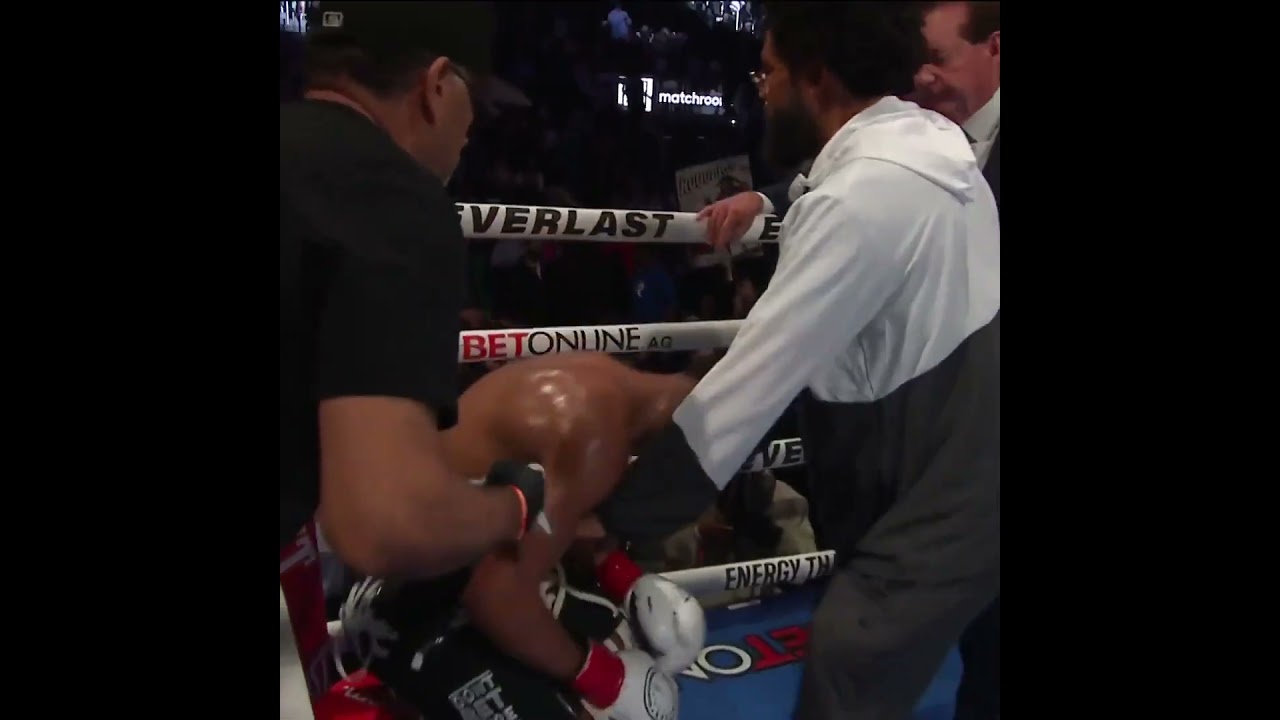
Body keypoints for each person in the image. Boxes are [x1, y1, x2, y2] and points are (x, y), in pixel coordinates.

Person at [597, 3, 1000, 718]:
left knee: (847, 668)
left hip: (942, 506)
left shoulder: (861, 200)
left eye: (770, 71)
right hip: (956, 470)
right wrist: (773, 198)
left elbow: (745, 394)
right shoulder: (935, 145)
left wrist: (611, 519)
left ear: (816, 78)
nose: (763, 89)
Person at [329, 353, 705, 720]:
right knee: (608, 694)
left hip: (457, 582)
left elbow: (559, 528)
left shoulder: (612, 393)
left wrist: (623, 577)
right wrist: (607, 680)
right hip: (405, 608)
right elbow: (494, 595)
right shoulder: (596, 439)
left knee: (617, 634)